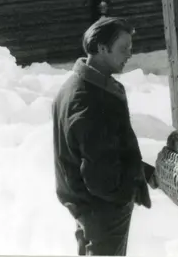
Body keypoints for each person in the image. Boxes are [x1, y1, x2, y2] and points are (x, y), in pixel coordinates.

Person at [52, 17, 156, 256]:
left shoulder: (80, 85)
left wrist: (143, 172)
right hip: (102, 211)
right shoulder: (88, 98)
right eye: (123, 48)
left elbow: (106, 149)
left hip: (87, 206)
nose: (130, 54)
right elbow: (100, 174)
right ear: (101, 48)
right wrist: (125, 192)